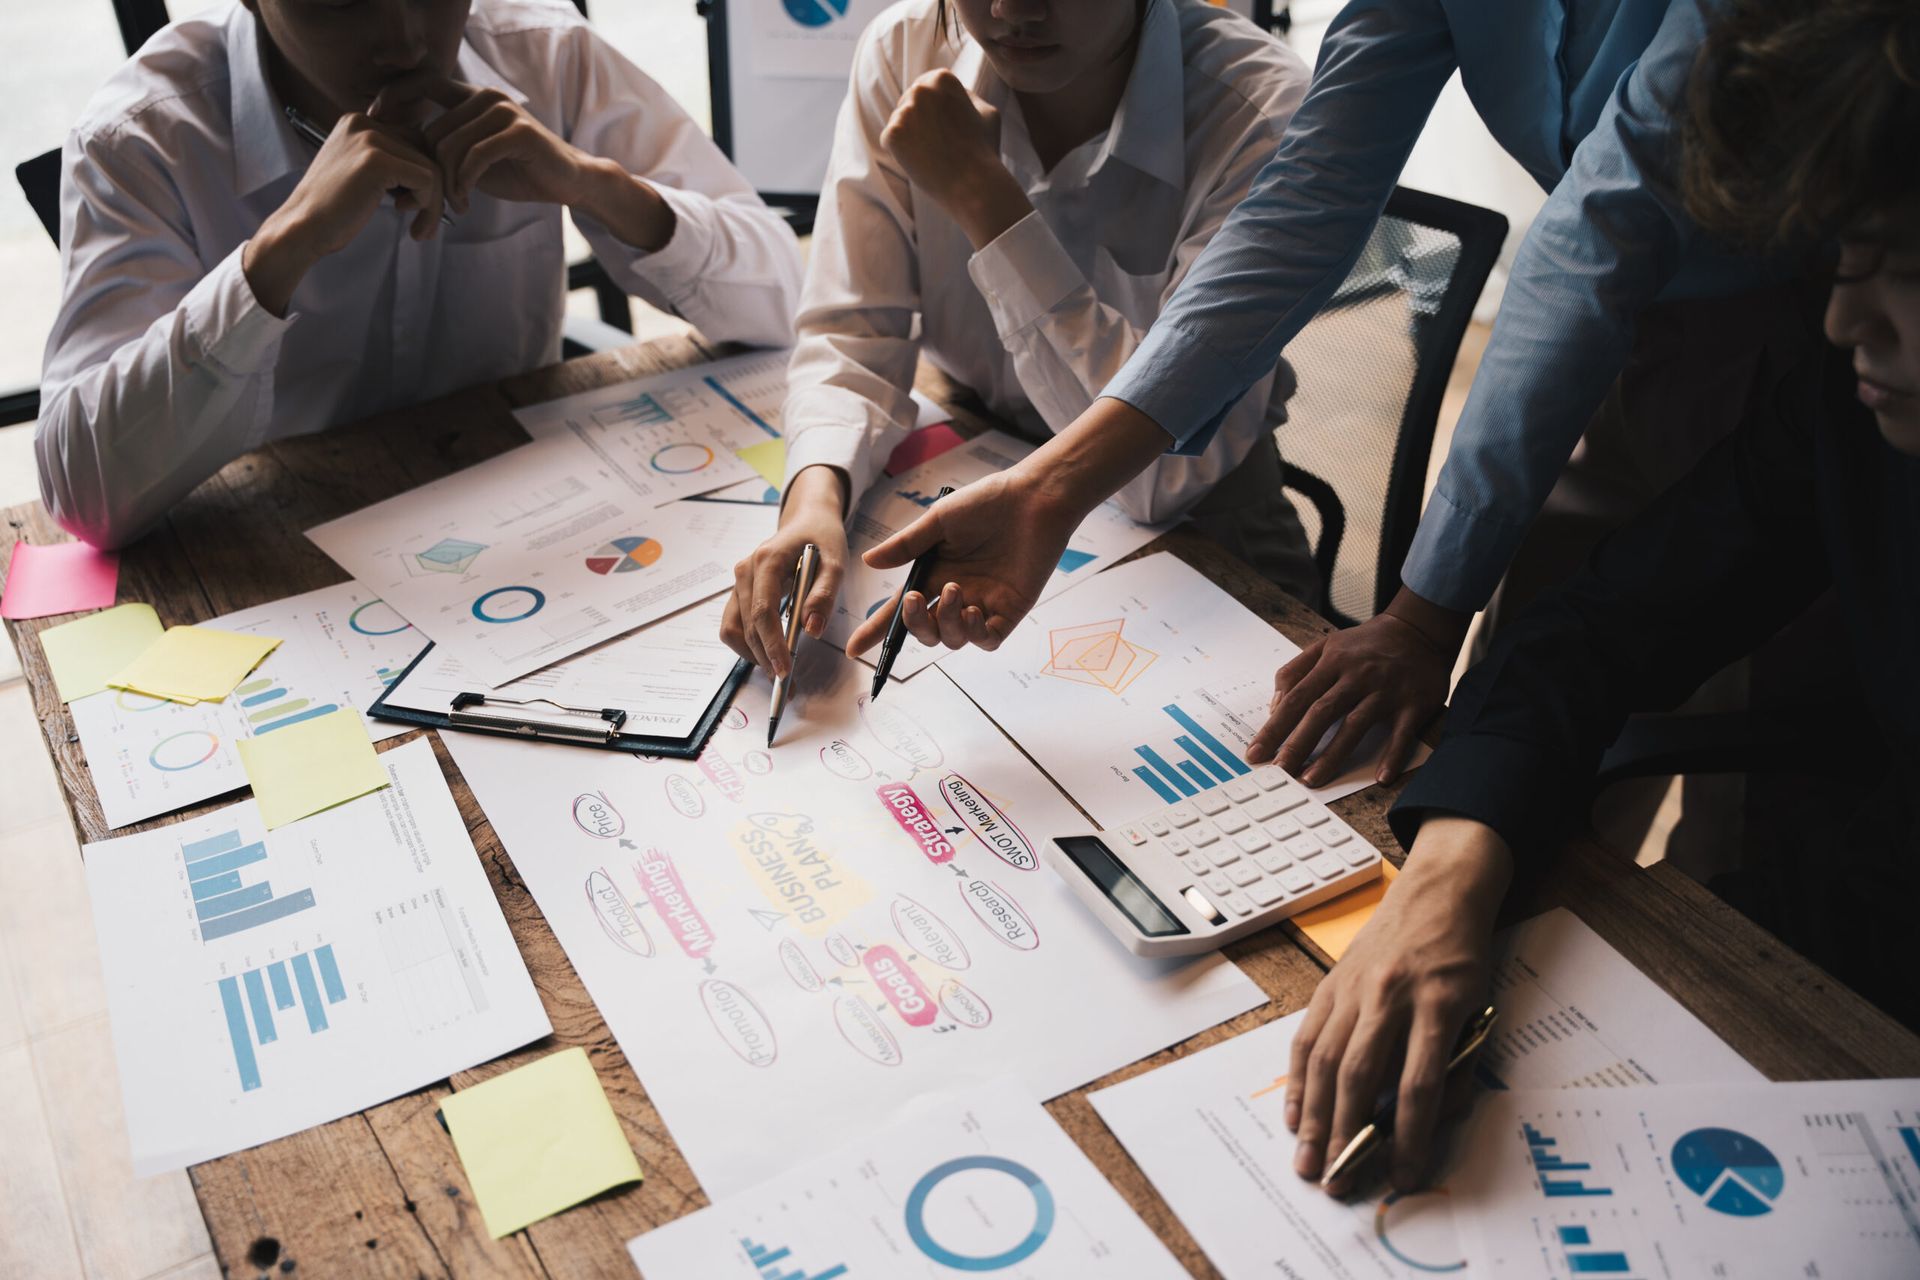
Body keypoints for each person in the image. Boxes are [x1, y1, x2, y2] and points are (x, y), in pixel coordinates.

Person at [1284, 0, 1920, 1197]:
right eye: (1842, 263)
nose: (1839, 321)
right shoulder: (1844, 412)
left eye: (1894, 268)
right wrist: (1449, 866)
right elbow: (1598, 625)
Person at [841, 0, 1805, 789]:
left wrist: (1426, 619)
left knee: (1762, 748)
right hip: (1620, 344)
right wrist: (1052, 488)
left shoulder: (1239, 89)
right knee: (1529, 714)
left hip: (1829, 337)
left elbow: (1598, 230)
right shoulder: (907, 49)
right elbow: (1309, 198)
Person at [38, 0, 803, 549]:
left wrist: (593, 185)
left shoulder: (543, 53)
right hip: (277, 547)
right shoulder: (141, 139)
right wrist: (278, 254)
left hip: (536, 519)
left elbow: (792, 301)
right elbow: (82, 499)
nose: (404, 37)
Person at [720, 0, 1317, 674]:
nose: (1011, 10)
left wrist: (984, 197)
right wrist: (814, 502)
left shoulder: (1259, 109)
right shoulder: (905, 49)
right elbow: (853, 329)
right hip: (975, 451)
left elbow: (1159, 479)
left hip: (1202, 526)